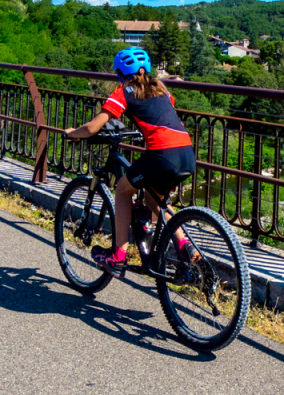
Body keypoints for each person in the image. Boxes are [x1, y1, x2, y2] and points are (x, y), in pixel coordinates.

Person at [64, 47, 197, 276]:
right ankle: (186, 246)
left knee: (122, 189)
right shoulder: (162, 89)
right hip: (187, 153)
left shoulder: (124, 90)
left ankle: (118, 256)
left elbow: (94, 126)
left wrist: (73, 133)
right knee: (155, 200)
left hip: (162, 155)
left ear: (120, 73)